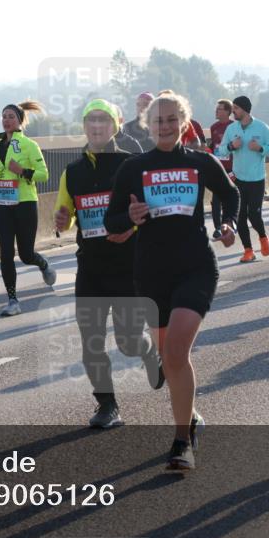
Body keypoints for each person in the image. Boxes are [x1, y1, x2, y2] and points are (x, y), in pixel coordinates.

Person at [104, 92, 240, 470]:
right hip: (151, 272)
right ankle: (190, 415)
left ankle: (182, 441)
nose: (164, 126)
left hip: (196, 266)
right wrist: (130, 216)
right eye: (157, 120)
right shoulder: (134, 168)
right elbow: (112, 222)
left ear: (184, 121)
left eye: (171, 119)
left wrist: (226, 224)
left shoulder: (200, 163)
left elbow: (231, 195)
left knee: (177, 353)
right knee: (169, 356)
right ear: (149, 125)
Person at [53, 99, 163, 429]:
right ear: (84, 127)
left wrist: (129, 229)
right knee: (91, 341)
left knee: (128, 342)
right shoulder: (72, 172)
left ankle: (147, 351)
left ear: (115, 125)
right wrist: (62, 220)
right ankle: (107, 404)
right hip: (91, 267)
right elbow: (67, 214)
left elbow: (149, 210)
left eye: (103, 120)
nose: (97, 126)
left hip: (127, 265)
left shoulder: (131, 165)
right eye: (91, 120)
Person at [0, 101, 56, 316]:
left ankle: (42, 263)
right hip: (3, 205)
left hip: (25, 204)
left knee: (25, 254)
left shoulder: (30, 145)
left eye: (11, 116)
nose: (6, 120)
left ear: (20, 121)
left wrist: (22, 170)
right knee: (6, 252)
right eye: (4, 116)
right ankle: (13, 300)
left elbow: (44, 174)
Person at [218, 96, 269, 263]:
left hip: (257, 179)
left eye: (236, 108)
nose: (233, 111)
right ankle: (248, 250)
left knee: (254, 215)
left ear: (244, 109)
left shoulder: (261, 127)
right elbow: (220, 150)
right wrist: (231, 146)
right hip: (238, 179)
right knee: (241, 216)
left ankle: (263, 238)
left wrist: (259, 148)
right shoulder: (231, 129)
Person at [209, 99, 236, 237]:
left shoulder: (235, 126)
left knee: (231, 197)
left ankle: (231, 223)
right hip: (217, 167)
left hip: (233, 168)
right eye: (216, 108)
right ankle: (217, 228)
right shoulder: (214, 127)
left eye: (219, 109)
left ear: (227, 111)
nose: (216, 111)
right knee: (216, 199)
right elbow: (214, 146)